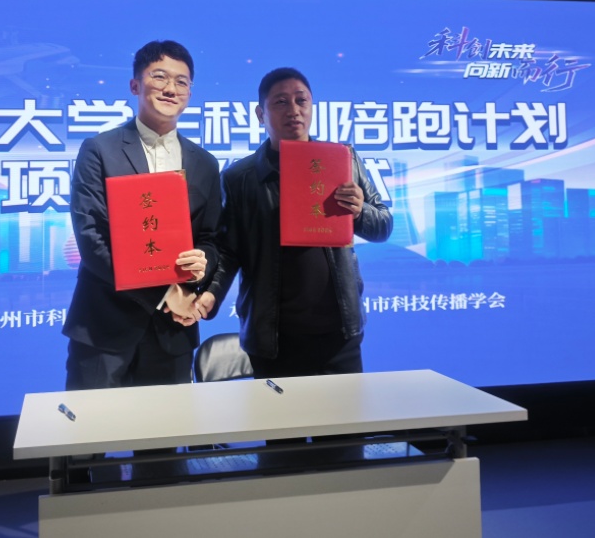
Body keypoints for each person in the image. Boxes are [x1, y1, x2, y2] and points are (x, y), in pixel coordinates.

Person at [195, 67, 392, 379]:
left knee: (345, 413)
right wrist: (211, 294)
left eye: (302, 101)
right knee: (280, 414)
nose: (294, 110)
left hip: (339, 332)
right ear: (261, 114)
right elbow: (229, 250)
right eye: (281, 102)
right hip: (273, 338)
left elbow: (383, 226)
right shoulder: (239, 178)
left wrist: (359, 211)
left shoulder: (343, 159)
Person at [62, 40, 221, 390]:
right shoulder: (99, 150)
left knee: (166, 427)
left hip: (173, 335)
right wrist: (166, 297)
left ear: (190, 92)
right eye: (159, 76)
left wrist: (202, 265)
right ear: (135, 85)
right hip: (104, 329)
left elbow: (210, 239)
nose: (170, 88)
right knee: (92, 426)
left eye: (181, 81)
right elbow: (91, 238)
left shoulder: (205, 164)